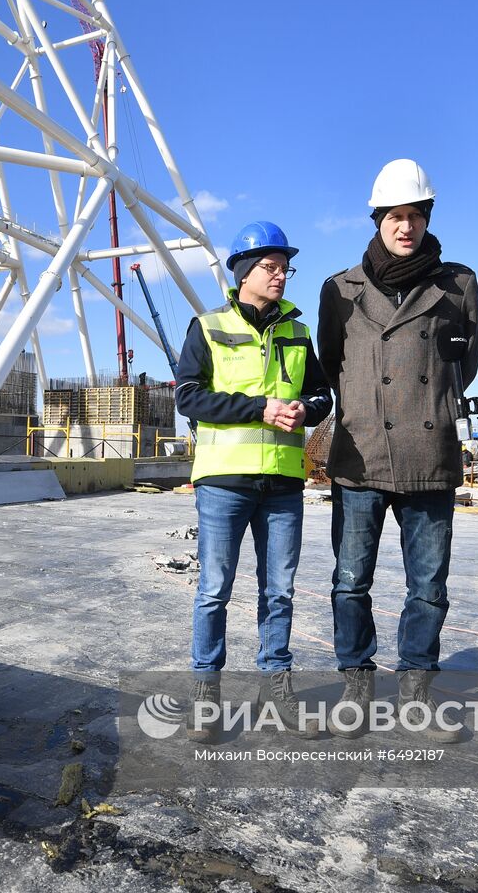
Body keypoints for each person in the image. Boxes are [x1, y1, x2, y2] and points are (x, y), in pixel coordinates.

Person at [316, 159, 478, 743]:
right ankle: (355, 686)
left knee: (428, 585)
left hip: (429, 451)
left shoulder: (458, 284)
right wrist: (361, 408)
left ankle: (416, 691)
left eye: (414, 216)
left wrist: (430, 403)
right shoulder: (338, 289)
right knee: (349, 581)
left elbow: (466, 363)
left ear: (426, 217)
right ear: (377, 219)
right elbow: (331, 363)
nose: (404, 227)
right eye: (394, 216)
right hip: (360, 454)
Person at [176, 221, 334, 742]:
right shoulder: (208, 325)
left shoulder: (297, 331)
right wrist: (259, 409)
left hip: (285, 481)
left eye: (285, 268)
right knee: (215, 590)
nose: (280, 276)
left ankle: (277, 689)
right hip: (224, 480)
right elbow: (189, 398)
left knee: (281, 590)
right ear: (243, 272)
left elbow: (321, 396)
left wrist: (304, 409)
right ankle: (205, 695)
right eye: (270, 268)